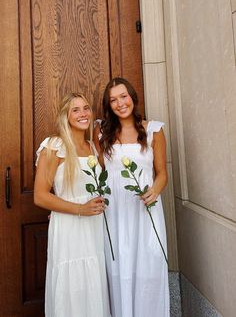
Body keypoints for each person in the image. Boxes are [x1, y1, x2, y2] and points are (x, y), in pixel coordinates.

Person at [94, 77, 170, 317]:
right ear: (109, 104)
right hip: (114, 213)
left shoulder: (153, 130)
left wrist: (155, 191)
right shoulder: (101, 132)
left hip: (145, 211)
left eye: (123, 96)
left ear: (133, 97)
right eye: (113, 100)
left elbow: (162, 173)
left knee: (148, 268)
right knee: (119, 270)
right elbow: (99, 175)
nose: (120, 103)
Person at [34, 92, 111, 317]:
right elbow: (39, 196)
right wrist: (79, 209)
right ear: (65, 116)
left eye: (86, 108)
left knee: (91, 281)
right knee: (71, 283)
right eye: (75, 110)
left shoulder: (93, 148)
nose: (83, 113)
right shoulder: (54, 145)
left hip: (93, 228)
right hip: (69, 227)